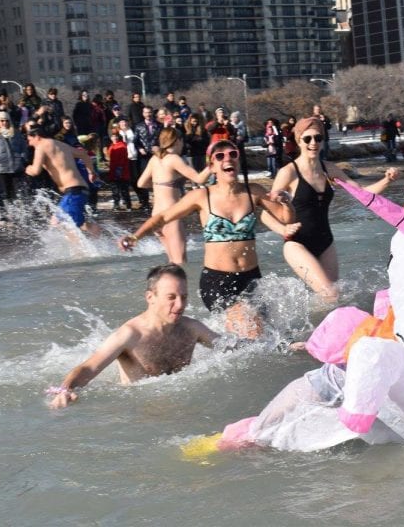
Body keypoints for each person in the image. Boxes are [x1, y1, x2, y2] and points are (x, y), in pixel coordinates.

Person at [118, 139, 295, 338]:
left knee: (273, 337)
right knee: (253, 332)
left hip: (252, 278)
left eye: (233, 154)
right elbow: (163, 217)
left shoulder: (254, 191)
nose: (227, 158)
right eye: (220, 156)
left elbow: (285, 218)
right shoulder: (201, 196)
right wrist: (135, 236)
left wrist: (287, 203)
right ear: (211, 167)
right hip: (218, 282)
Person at [261, 117, 399, 303]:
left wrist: (387, 180)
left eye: (318, 138)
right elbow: (265, 214)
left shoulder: (329, 169)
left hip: (326, 242)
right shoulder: (288, 172)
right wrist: (283, 229)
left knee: (334, 299)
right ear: (299, 140)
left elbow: (363, 193)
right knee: (330, 294)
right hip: (296, 243)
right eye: (307, 139)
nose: (313, 143)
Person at [47, 264, 221, 409]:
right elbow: (89, 368)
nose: (180, 304)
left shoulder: (192, 328)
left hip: (182, 406)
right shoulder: (130, 335)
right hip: (140, 410)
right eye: (171, 297)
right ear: (150, 297)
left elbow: (229, 347)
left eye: (184, 297)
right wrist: (65, 390)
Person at [137, 127, 211, 264]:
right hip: (171, 216)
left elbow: (141, 183)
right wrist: (212, 165)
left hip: (156, 216)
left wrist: (160, 185)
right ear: (177, 141)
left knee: (172, 262)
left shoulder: (155, 159)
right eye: (182, 141)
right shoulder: (174, 159)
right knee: (180, 262)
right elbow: (199, 179)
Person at [24, 124, 101, 236]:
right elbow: (84, 154)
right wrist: (91, 172)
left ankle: (82, 248)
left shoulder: (41, 146)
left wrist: (27, 169)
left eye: (30, 140)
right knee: (69, 223)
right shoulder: (61, 145)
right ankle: (101, 241)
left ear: (37, 137)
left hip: (73, 191)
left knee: (63, 224)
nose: (29, 144)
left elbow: (36, 170)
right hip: (79, 190)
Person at [0, 112, 27, 213]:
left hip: (16, 167)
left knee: (19, 192)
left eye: (6, 120)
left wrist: (23, 158)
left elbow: (24, 147)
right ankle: (7, 213)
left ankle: (20, 213)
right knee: (5, 193)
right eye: (2, 120)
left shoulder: (16, 133)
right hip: (1, 168)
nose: (4, 123)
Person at [133, 105, 161, 211]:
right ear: (143, 114)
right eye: (146, 112)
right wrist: (139, 148)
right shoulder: (138, 126)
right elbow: (135, 141)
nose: (148, 114)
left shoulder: (159, 125)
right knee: (144, 177)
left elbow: (162, 139)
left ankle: (158, 199)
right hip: (144, 156)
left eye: (149, 112)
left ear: (152, 113)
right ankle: (145, 202)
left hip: (156, 155)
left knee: (157, 177)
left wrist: (158, 147)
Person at [106, 128, 132, 211]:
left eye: (116, 136)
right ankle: (117, 204)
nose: (114, 138)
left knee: (124, 189)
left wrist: (119, 169)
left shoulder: (122, 145)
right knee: (115, 189)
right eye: (113, 136)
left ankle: (128, 205)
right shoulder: (111, 146)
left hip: (121, 170)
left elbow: (123, 159)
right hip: (113, 170)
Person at [230, 110, 249, 182]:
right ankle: (234, 178)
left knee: (243, 163)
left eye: (236, 117)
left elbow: (247, 138)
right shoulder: (229, 126)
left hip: (240, 147)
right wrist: (235, 138)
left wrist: (242, 138)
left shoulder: (243, 126)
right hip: (232, 147)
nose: (234, 118)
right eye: (233, 117)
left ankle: (246, 180)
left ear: (238, 118)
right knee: (233, 163)